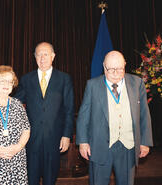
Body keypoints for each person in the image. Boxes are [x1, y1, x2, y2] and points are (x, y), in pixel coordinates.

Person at [76, 50, 153, 185]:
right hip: (100, 146)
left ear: (125, 65)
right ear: (104, 67)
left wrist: (145, 142)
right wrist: (83, 142)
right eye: (111, 69)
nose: (116, 73)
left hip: (128, 146)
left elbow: (144, 114)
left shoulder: (137, 83)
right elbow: (84, 115)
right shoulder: (93, 85)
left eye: (120, 69)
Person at [14, 42, 74, 185]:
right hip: (31, 141)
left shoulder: (64, 79)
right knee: (31, 180)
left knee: (50, 180)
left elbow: (69, 110)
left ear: (53, 56)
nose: (42, 58)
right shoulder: (26, 79)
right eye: (38, 55)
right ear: (35, 57)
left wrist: (66, 135)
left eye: (45, 54)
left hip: (54, 139)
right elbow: (15, 104)